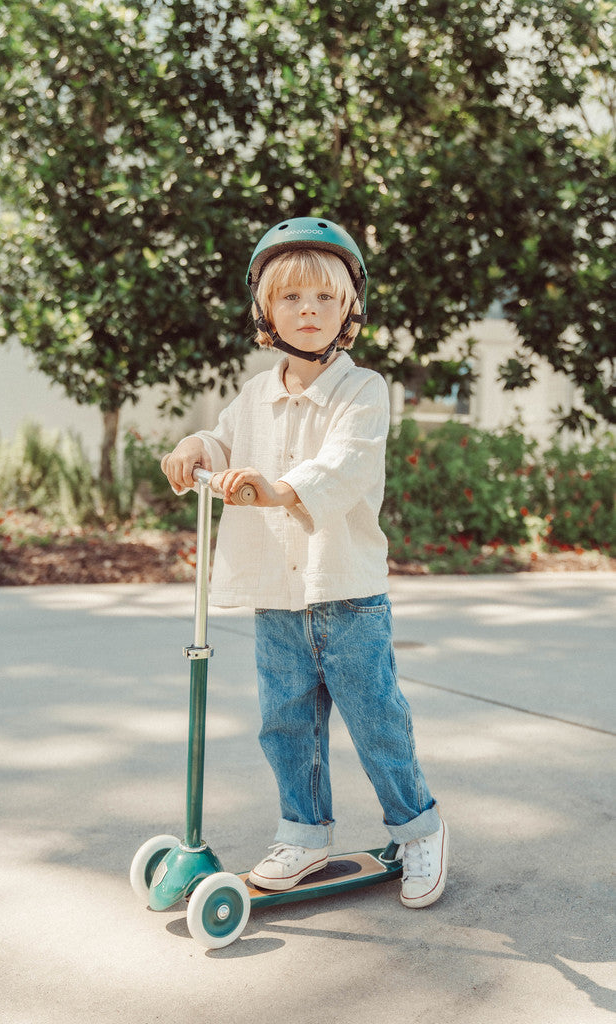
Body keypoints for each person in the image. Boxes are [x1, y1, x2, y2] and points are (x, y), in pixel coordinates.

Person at [161, 216, 449, 908]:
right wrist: (199, 448)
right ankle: (303, 832)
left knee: (376, 720)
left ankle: (418, 830)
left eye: (324, 298)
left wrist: (279, 490)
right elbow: (226, 441)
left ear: (351, 307)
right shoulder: (253, 394)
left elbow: (343, 466)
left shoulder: (363, 390)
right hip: (277, 596)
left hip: (345, 591)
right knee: (285, 722)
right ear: (264, 311)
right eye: (290, 298)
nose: (308, 311)